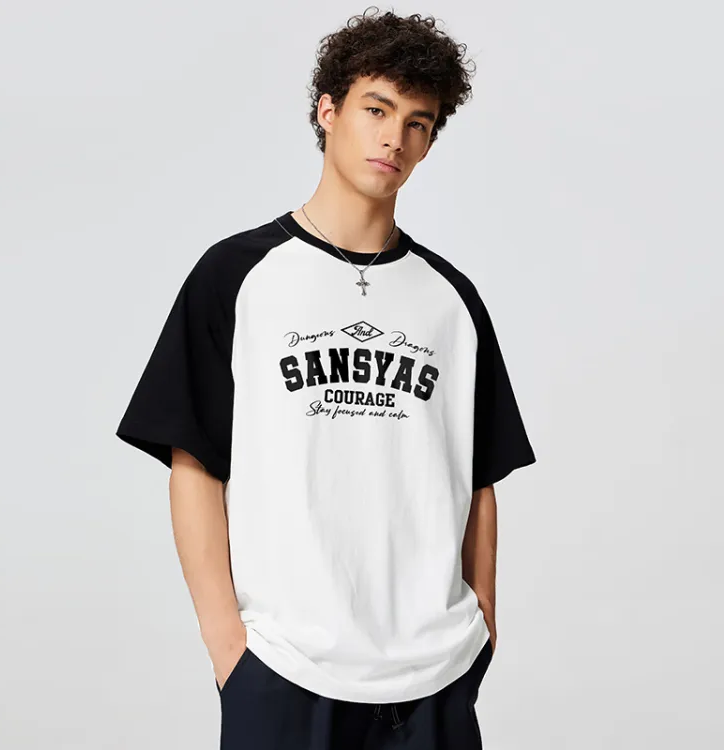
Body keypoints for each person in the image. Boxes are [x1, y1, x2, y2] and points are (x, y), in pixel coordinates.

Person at [116, 7, 536, 749]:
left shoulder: (452, 301)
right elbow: (194, 462)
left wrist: (483, 626)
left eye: (417, 122)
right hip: (284, 671)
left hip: (435, 677)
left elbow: (478, 479)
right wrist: (229, 649)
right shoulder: (236, 275)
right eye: (377, 109)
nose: (394, 137)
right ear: (328, 110)